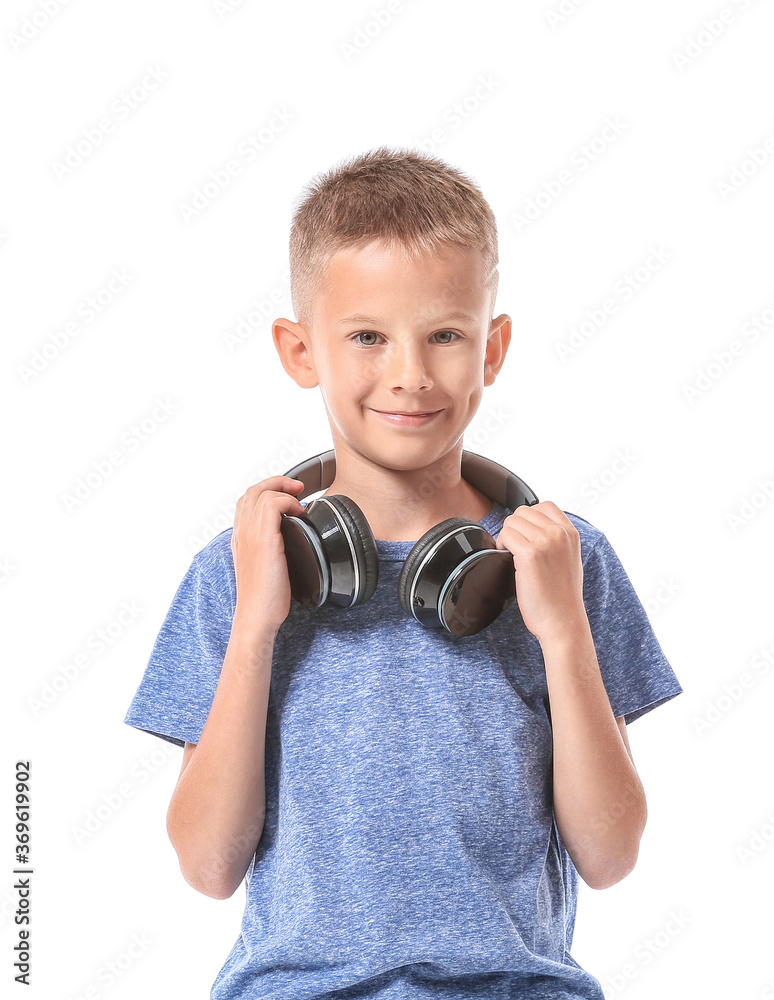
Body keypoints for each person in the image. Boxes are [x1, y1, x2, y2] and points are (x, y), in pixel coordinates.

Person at [123, 146, 683, 1000]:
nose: (410, 374)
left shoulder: (564, 559)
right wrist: (255, 626)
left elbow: (610, 857)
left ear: (493, 348)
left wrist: (563, 631)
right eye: (367, 337)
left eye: (447, 335)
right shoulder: (240, 567)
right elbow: (207, 865)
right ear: (299, 350)